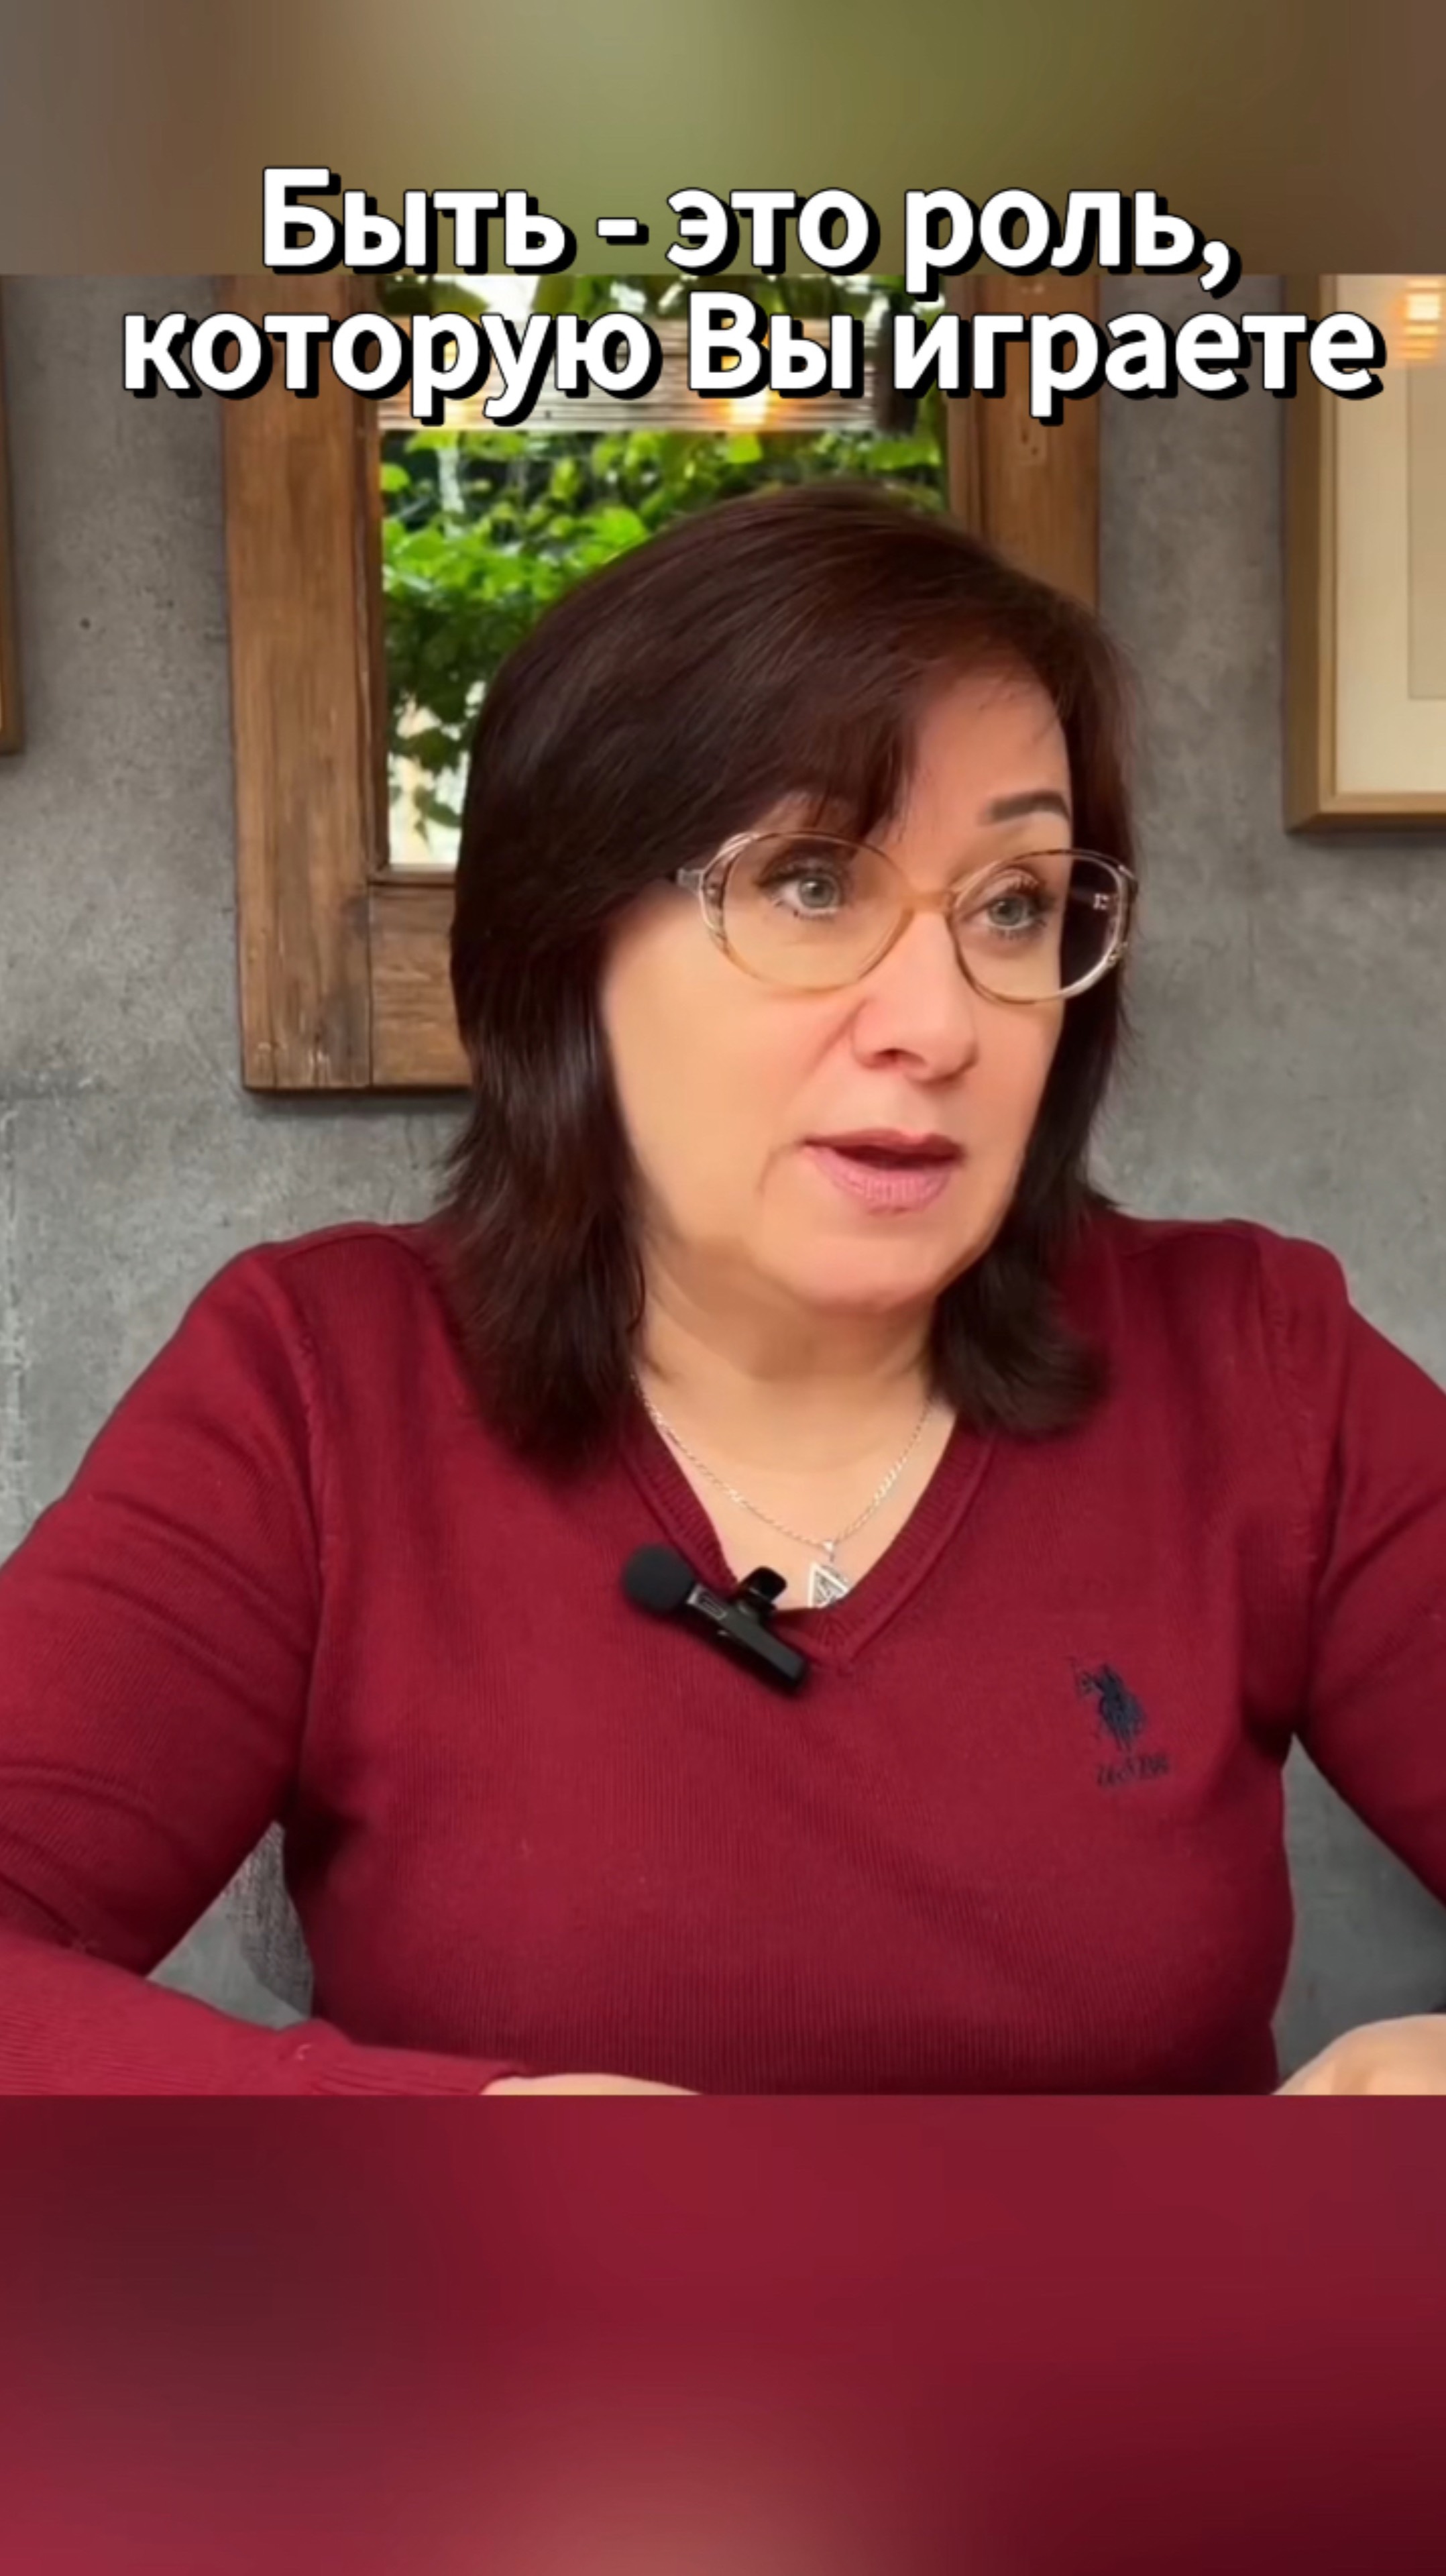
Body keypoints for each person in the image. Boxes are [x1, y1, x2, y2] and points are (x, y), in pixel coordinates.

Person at [2, 482, 1445, 2096]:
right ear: (569, 947)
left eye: (1014, 905)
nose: (940, 1025)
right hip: (522, 2281)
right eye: (812, 883)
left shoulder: (1256, 1361)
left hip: (1161, 2286)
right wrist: (470, 2148)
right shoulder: (315, 1388)